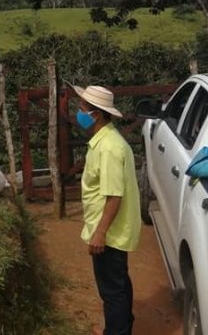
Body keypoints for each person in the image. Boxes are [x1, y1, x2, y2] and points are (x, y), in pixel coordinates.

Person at [72, 84, 141, 335]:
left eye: (82, 108)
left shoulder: (109, 148)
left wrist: (100, 233)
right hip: (110, 227)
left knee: (111, 290)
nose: (78, 112)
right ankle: (123, 326)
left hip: (109, 231)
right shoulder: (106, 141)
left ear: (96, 114)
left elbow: (114, 196)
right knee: (118, 283)